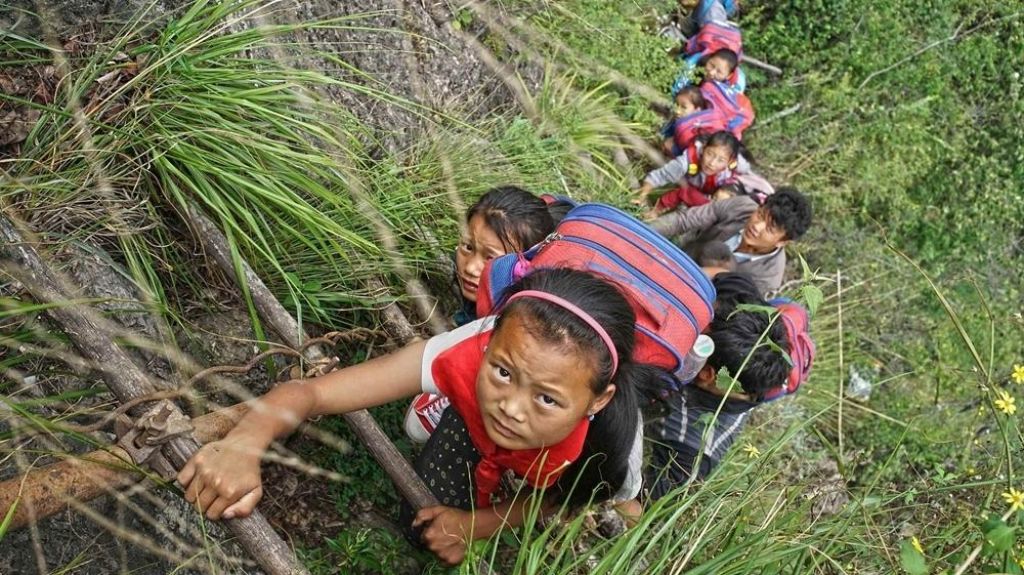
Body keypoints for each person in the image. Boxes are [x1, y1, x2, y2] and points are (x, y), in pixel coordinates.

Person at [177, 268, 656, 565]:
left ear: (597, 400)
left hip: (556, 470)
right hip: (478, 421)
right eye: (503, 371)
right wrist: (245, 441)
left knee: (529, 485)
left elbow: (561, 501)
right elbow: (312, 393)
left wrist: (479, 524)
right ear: (488, 342)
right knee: (422, 522)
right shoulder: (465, 352)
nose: (510, 406)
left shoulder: (608, 449)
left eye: (547, 399)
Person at [409, 187, 558, 441]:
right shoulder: (496, 288)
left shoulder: (534, 323)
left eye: (491, 258)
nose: (471, 267)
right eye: (468, 247)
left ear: (524, 267)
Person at [645, 272, 789, 499]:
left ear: (705, 373)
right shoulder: (745, 341)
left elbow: (643, 510)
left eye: (698, 338)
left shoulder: (692, 448)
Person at [650, 187, 812, 296]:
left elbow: (729, 306)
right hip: (676, 258)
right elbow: (682, 221)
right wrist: (641, 231)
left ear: (782, 242)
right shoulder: (741, 206)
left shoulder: (768, 278)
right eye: (761, 215)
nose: (757, 226)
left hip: (693, 296)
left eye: (769, 229)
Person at [635, 131, 750, 214]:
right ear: (704, 148)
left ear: (730, 161)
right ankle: (656, 211)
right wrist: (642, 195)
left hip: (712, 194)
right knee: (686, 192)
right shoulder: (686, 161)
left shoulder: (737, 167)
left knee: (723, 199)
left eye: (721, 160)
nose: (712, 163)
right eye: (710, 154)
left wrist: (726, 194)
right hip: (693, 187)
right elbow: (659, 176)